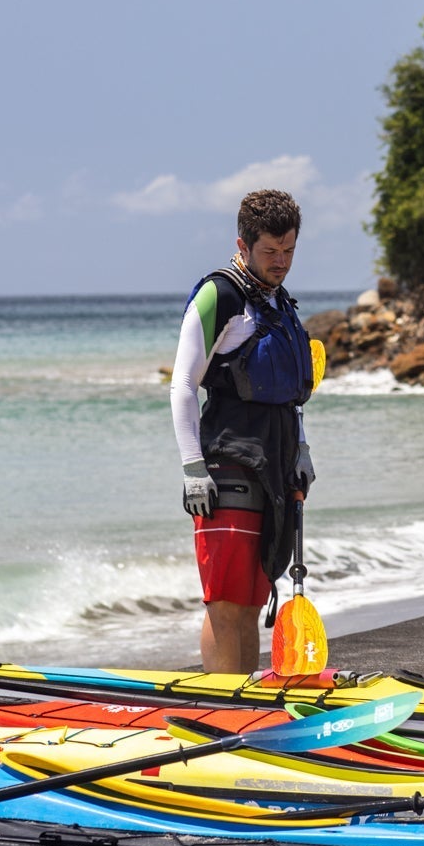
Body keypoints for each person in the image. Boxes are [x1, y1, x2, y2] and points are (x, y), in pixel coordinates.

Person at [170, 189, 316, 673]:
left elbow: (288, 393)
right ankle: (224, 710)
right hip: (226, 465)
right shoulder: (221, 294)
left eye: (289, 251)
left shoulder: (278, 302)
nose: (281, 262)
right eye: (270, 252)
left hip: (273, 466)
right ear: (243, 243)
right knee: (226, 602)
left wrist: (301, 449)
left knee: (254, 600)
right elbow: (183, 384)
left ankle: (247, 709)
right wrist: (193, 467)